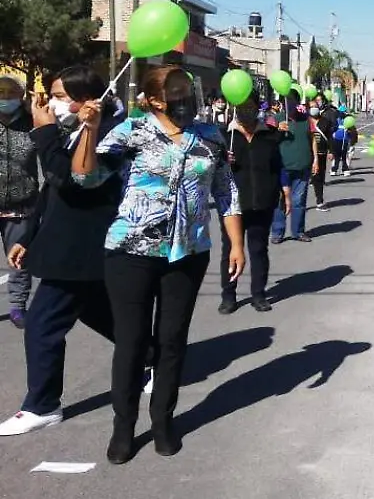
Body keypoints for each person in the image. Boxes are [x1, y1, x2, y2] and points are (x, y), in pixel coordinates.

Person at [71, 66, 244, 464]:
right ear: (153, 100)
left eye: (188, 90)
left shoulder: (209, 137)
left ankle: (163, 420)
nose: (186, 98)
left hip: (188, 252)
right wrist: (90, 130)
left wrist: (236, 243)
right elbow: (86, 178)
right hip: (130, 251)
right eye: (176, 92)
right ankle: (123, 426)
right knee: (131, 343)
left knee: (171, 340)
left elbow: (226, 190)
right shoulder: (131, 132)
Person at [0, 67, 126, 436]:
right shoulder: (72, 131)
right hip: (66, 243)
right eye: (51, 95)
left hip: (80, 247)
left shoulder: (112, 136)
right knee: (99, 313)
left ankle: (42, 405)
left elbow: (74, 182)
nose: (52, 103)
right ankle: (153, 356)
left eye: (59, 95)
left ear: (90, 99)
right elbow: (51, 191)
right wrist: (30, 236)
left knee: (41, 325)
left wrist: (43, 133)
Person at [221, 92, 284, 314]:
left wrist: (281, 194)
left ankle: (259, 294)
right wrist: (222, 160)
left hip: (262, 204)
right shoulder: (224, 137)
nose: (246, 111)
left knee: (258, 249)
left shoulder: (270, 135)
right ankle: (228, 295)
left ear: (258, 108)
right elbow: (211, 171)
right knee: (229, 250)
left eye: (250, 107)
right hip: (233, 206)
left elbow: (278, 167)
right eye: (241, 106)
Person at [0, 75, 36, 328]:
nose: (4, 100)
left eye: (9, 95)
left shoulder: (31, 123)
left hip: (21, 203)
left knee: (19, 260)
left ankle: (17, 306)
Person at [272, 104, 318, 244]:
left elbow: (312, 139)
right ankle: (277, 232)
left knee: (299, 200)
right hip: (282, 167)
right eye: (289, 100)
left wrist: (315, 159)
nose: (292, 103)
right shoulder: (276, 119)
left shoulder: (306, 120)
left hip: (303, 166)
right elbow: (268, 138)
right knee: (280, 200)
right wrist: (278, 130)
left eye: (295, 100)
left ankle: (298, 231)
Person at [310, 95, 338, 210]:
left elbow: (330, 137)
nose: (314, 108)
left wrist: (331, 151)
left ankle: (319, 201)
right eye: (311, 107)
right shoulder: (306, 122)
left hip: (321, 153)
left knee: (319, 178)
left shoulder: (325, 121)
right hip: (309, 154)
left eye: (315, 106)